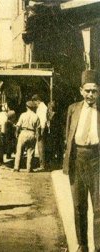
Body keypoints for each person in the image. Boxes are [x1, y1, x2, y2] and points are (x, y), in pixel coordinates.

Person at [63, 70, 99, 252]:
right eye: (87, 91)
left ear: (98, 91)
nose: (90, 94)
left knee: (99, 208)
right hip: (77, 160)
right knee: (79, 206)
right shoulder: (73, 109)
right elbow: (68, 134)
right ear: (81, 91)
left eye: (94, 91)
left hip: (97, 162)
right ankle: (82, 245)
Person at [13, 101, 41, 172]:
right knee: (30, 151)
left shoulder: (23, 115)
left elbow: (18, 125)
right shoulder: (36, 116)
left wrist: (16, 133)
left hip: (23, 132)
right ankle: (29, 168)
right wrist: (37, 136)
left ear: (27, 107)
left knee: (19, 150)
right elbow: (38, 129)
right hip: (32, 133)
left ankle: (16, 167)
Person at [32, 94, 47, 170]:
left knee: (41, 147)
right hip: (40, 128)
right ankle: (42, 164)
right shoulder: (41, 107)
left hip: (41, 128)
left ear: (37, 101)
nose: (35, 105)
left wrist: (42, 131)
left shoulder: (42, 108)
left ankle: (42, 165)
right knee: (40, 147)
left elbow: (43, 120)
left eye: (35, 103)